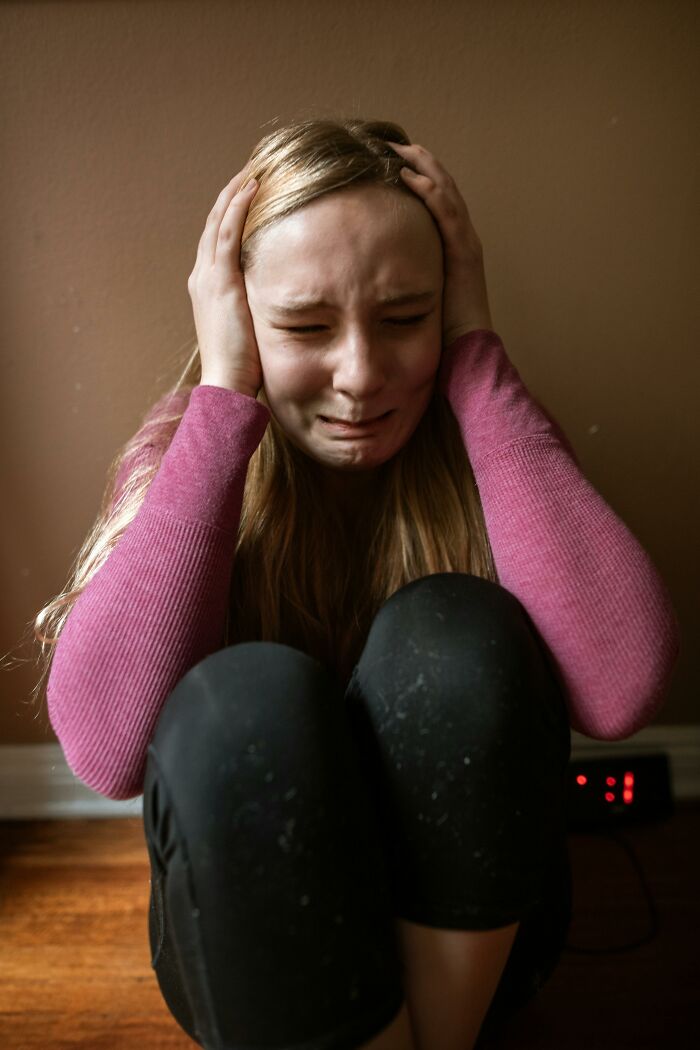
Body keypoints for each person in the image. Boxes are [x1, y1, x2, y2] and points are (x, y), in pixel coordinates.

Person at [35, 118, 681, 1050]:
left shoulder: (489, 449)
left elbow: (623, 692)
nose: (361, 376)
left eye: (406, 318)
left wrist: (476, 356)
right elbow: (105, 751)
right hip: (254, 956)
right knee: (243, 698)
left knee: (456, 632)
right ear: (238, 315)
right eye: (303, 325)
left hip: (485, 947)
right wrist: (223, 395)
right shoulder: (194, 454)